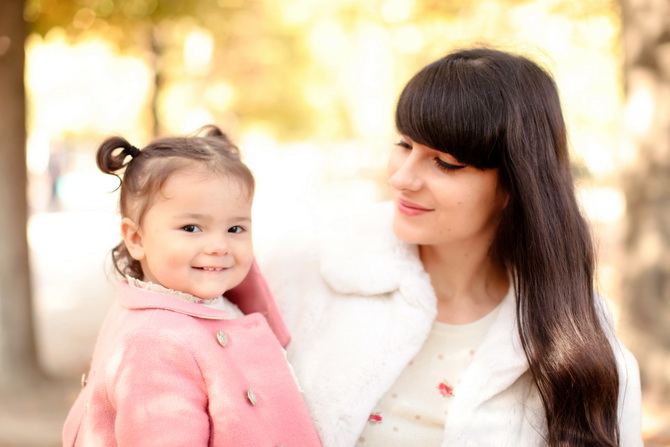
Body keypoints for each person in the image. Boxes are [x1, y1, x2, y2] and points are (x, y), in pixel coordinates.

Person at [260, 48, 642, 446]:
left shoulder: (577, 336)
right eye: (405, 145)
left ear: (514, 184)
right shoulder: (306, 267)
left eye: (444, 162)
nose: (403, 179)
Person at [62, 125, 322, 447]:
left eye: (235, 228)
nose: (219, 245)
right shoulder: (153, 342)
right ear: (136, 238)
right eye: (191, 227)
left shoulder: (211, 299)